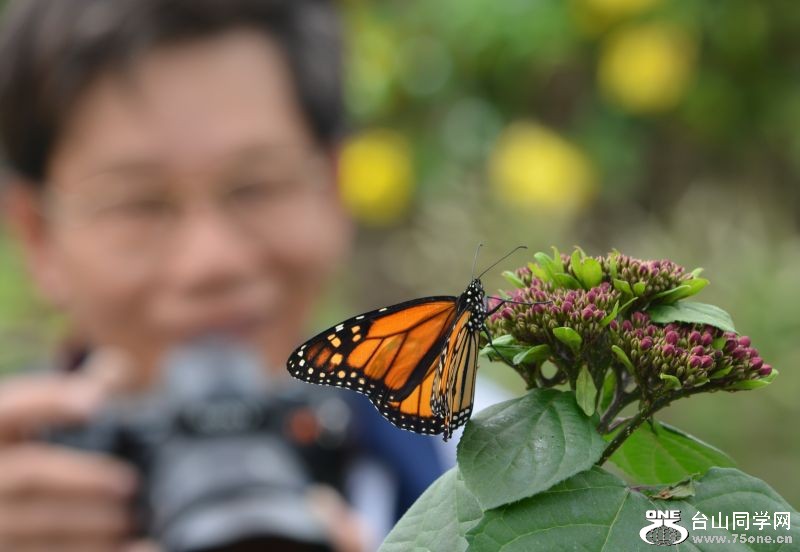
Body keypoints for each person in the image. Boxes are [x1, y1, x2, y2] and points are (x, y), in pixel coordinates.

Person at [0, 1, 445, 550]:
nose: (210, 262)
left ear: (332, 187)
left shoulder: (478, 454)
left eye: (257, 185)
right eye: (137, 203)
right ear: (39, 235)